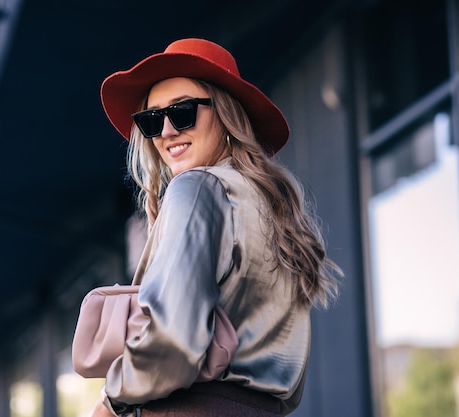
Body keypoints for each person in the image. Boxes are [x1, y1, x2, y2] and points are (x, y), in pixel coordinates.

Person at [89, 38, 342, 417]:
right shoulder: (273, 209)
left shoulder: (196, 188)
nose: (167, 131)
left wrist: (111, 402)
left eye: (184, 112)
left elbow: (173, 339)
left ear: (225, 113)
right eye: (152, 120)